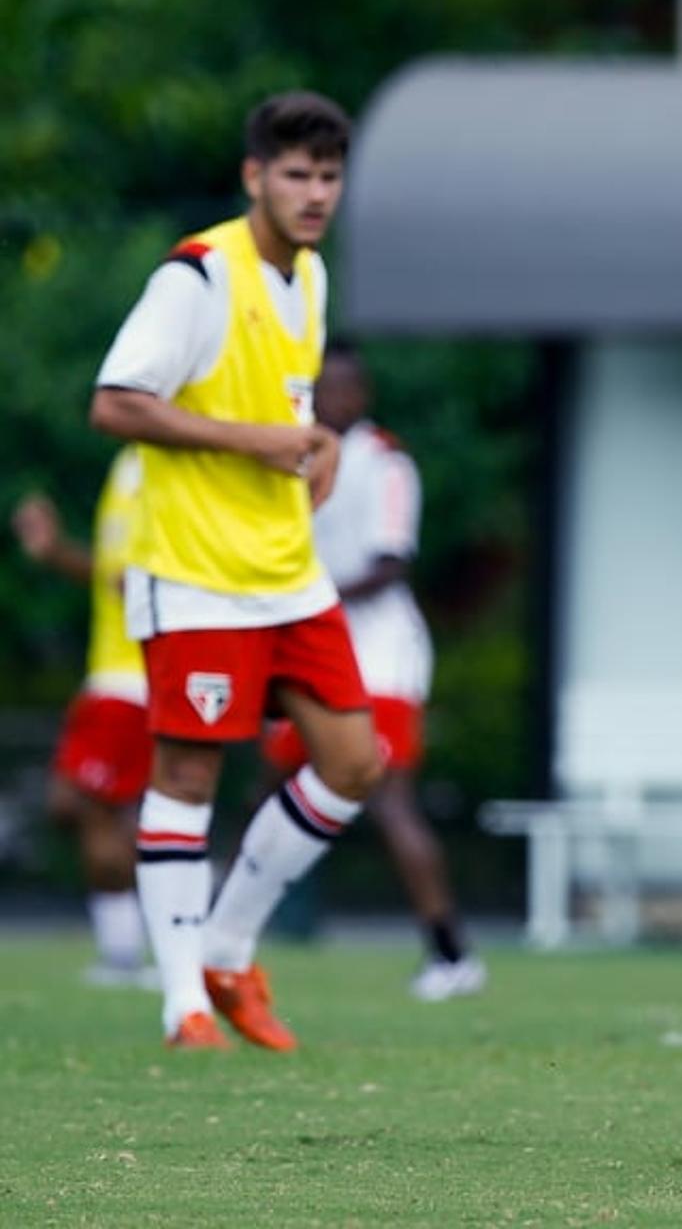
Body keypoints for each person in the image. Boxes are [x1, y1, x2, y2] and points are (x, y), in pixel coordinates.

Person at [89, 90, 383, 1052]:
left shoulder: (312, 277)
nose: (314, 194)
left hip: (287, 573)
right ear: (254, 176)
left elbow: (284, 409)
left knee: (353, 763)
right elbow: (118, 403)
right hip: (195, 571)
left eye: (329, 177)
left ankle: (226, 945)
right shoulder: (199, 274)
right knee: (186, 773)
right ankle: (182, 1004)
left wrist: (315, 444)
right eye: (295, 174)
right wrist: (255, 440)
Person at [259, 342, 486, 1001]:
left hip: (380, 656)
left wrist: (315, 598)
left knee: (389, 802)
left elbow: (391, 563)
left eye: (341, 388)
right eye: (318, 387)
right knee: (267, 789)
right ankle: (216, 937)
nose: (329, 398)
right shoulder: (295, 457)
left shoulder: (385, 463)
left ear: (361, 395)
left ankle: (451, 954)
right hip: (315, 651)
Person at [11, 449, 154, 986]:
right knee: (85, 809)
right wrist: (52, 550)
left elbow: (133, 579)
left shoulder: (173, 464)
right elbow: (110, 575)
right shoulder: (125, 463)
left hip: (132, 678)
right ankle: (148, 932)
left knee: (88, 807)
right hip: (112, 675)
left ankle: (129, 950)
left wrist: (58, 552)